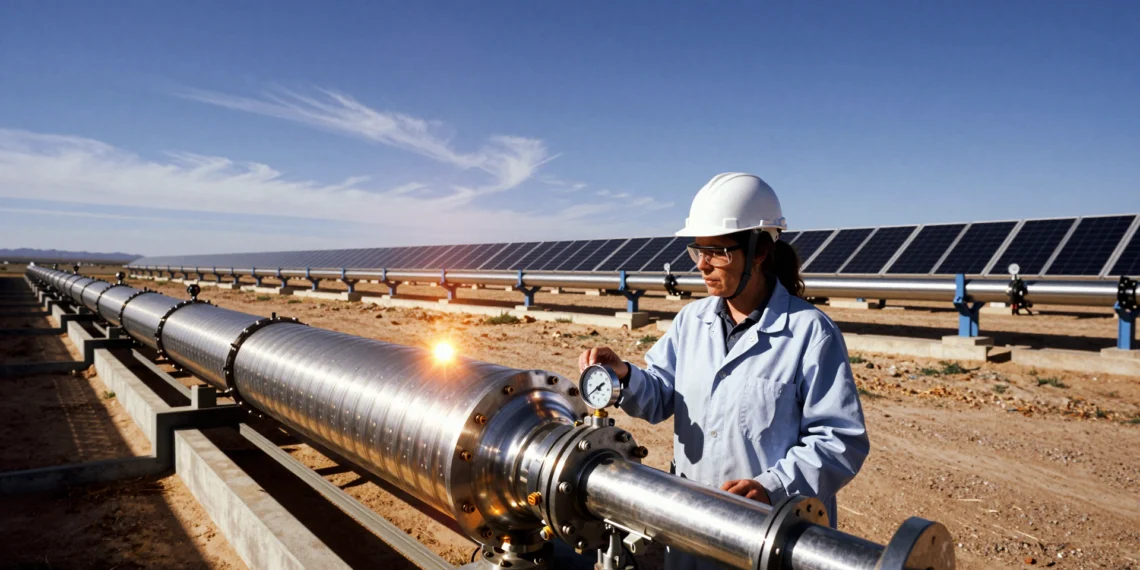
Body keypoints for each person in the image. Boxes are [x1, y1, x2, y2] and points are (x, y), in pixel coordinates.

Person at [579, 173, 869, 570]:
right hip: (691, 523)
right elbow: (663, 394)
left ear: (760, 250)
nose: (702, 265)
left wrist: (773, 488)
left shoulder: (809, 333)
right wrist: (624, 375)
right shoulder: (690, 321)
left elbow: (840, 439)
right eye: (698, 250)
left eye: (718, 252)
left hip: (770, 532)